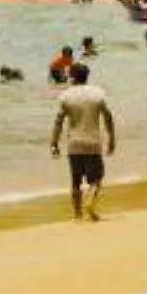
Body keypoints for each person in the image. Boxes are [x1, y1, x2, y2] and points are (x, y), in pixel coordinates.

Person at [50, 62, 116, 222]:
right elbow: (108, 117)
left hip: (74, 144)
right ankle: (90, 203)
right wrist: (111, 138)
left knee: (75, 182)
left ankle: (77, 215)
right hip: (93, 143)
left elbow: (58, 122)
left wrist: (54, 143)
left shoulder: (66, 96)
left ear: (72, 77)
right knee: (96, 179)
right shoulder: (98, 93)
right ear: (87, 75)